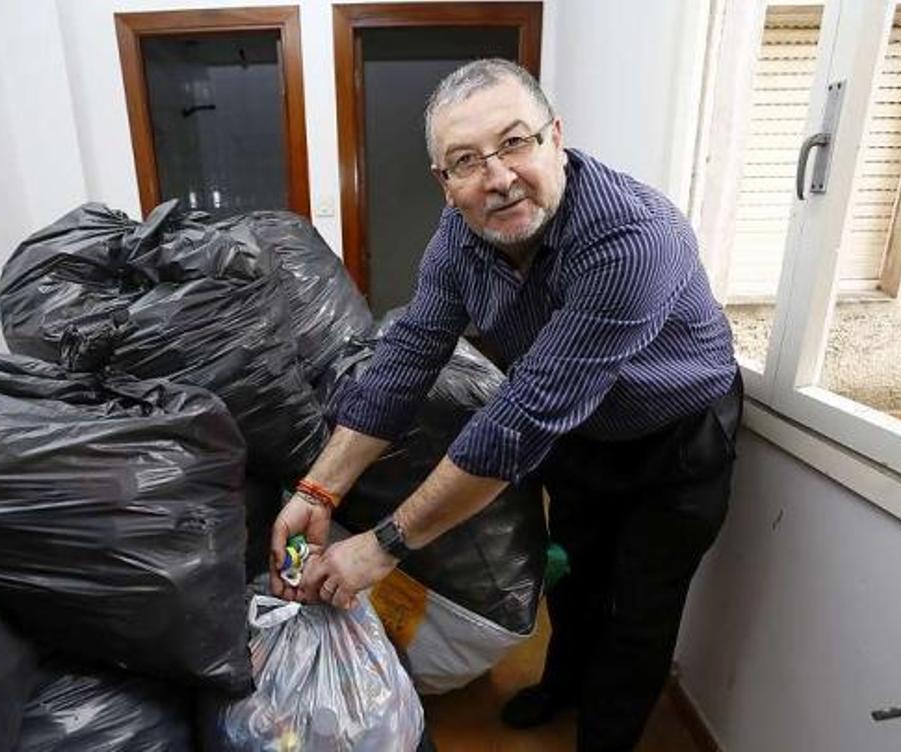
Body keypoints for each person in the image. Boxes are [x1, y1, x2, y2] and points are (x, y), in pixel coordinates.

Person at [269, 58, 741, 751]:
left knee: (639, 609)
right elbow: (406, 360)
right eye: (466, 161)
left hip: (676, 437)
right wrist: (318, 489)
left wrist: (383, 546)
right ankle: (562, 686)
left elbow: (520, 421)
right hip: (583, 438)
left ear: (556, 138)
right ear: (445, 182)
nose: (498, 177)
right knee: (573, 578)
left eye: (515, 142)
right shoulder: (459, 238)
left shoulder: (634, 239)